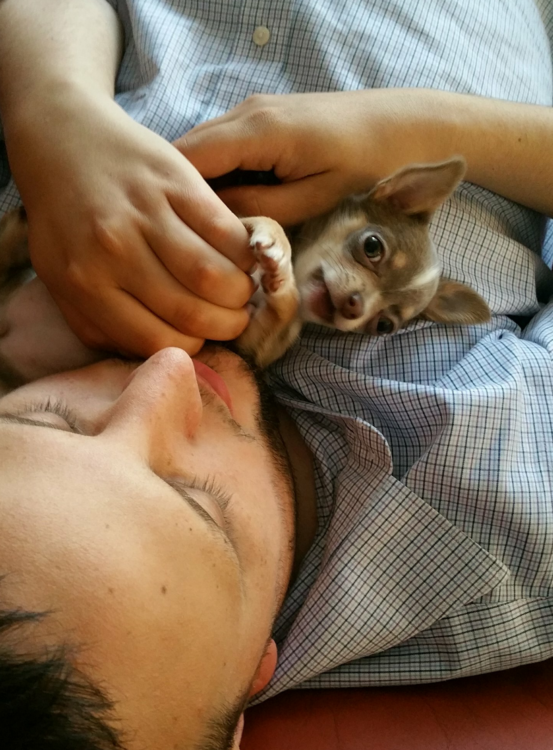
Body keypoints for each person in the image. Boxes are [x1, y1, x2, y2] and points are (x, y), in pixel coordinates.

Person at [1, 1, 553, 749]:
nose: (165, 375)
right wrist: (417, 132)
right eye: (200, 502)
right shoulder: (500, 497)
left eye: (50, 418)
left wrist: (52, 110)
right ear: (249, 683)